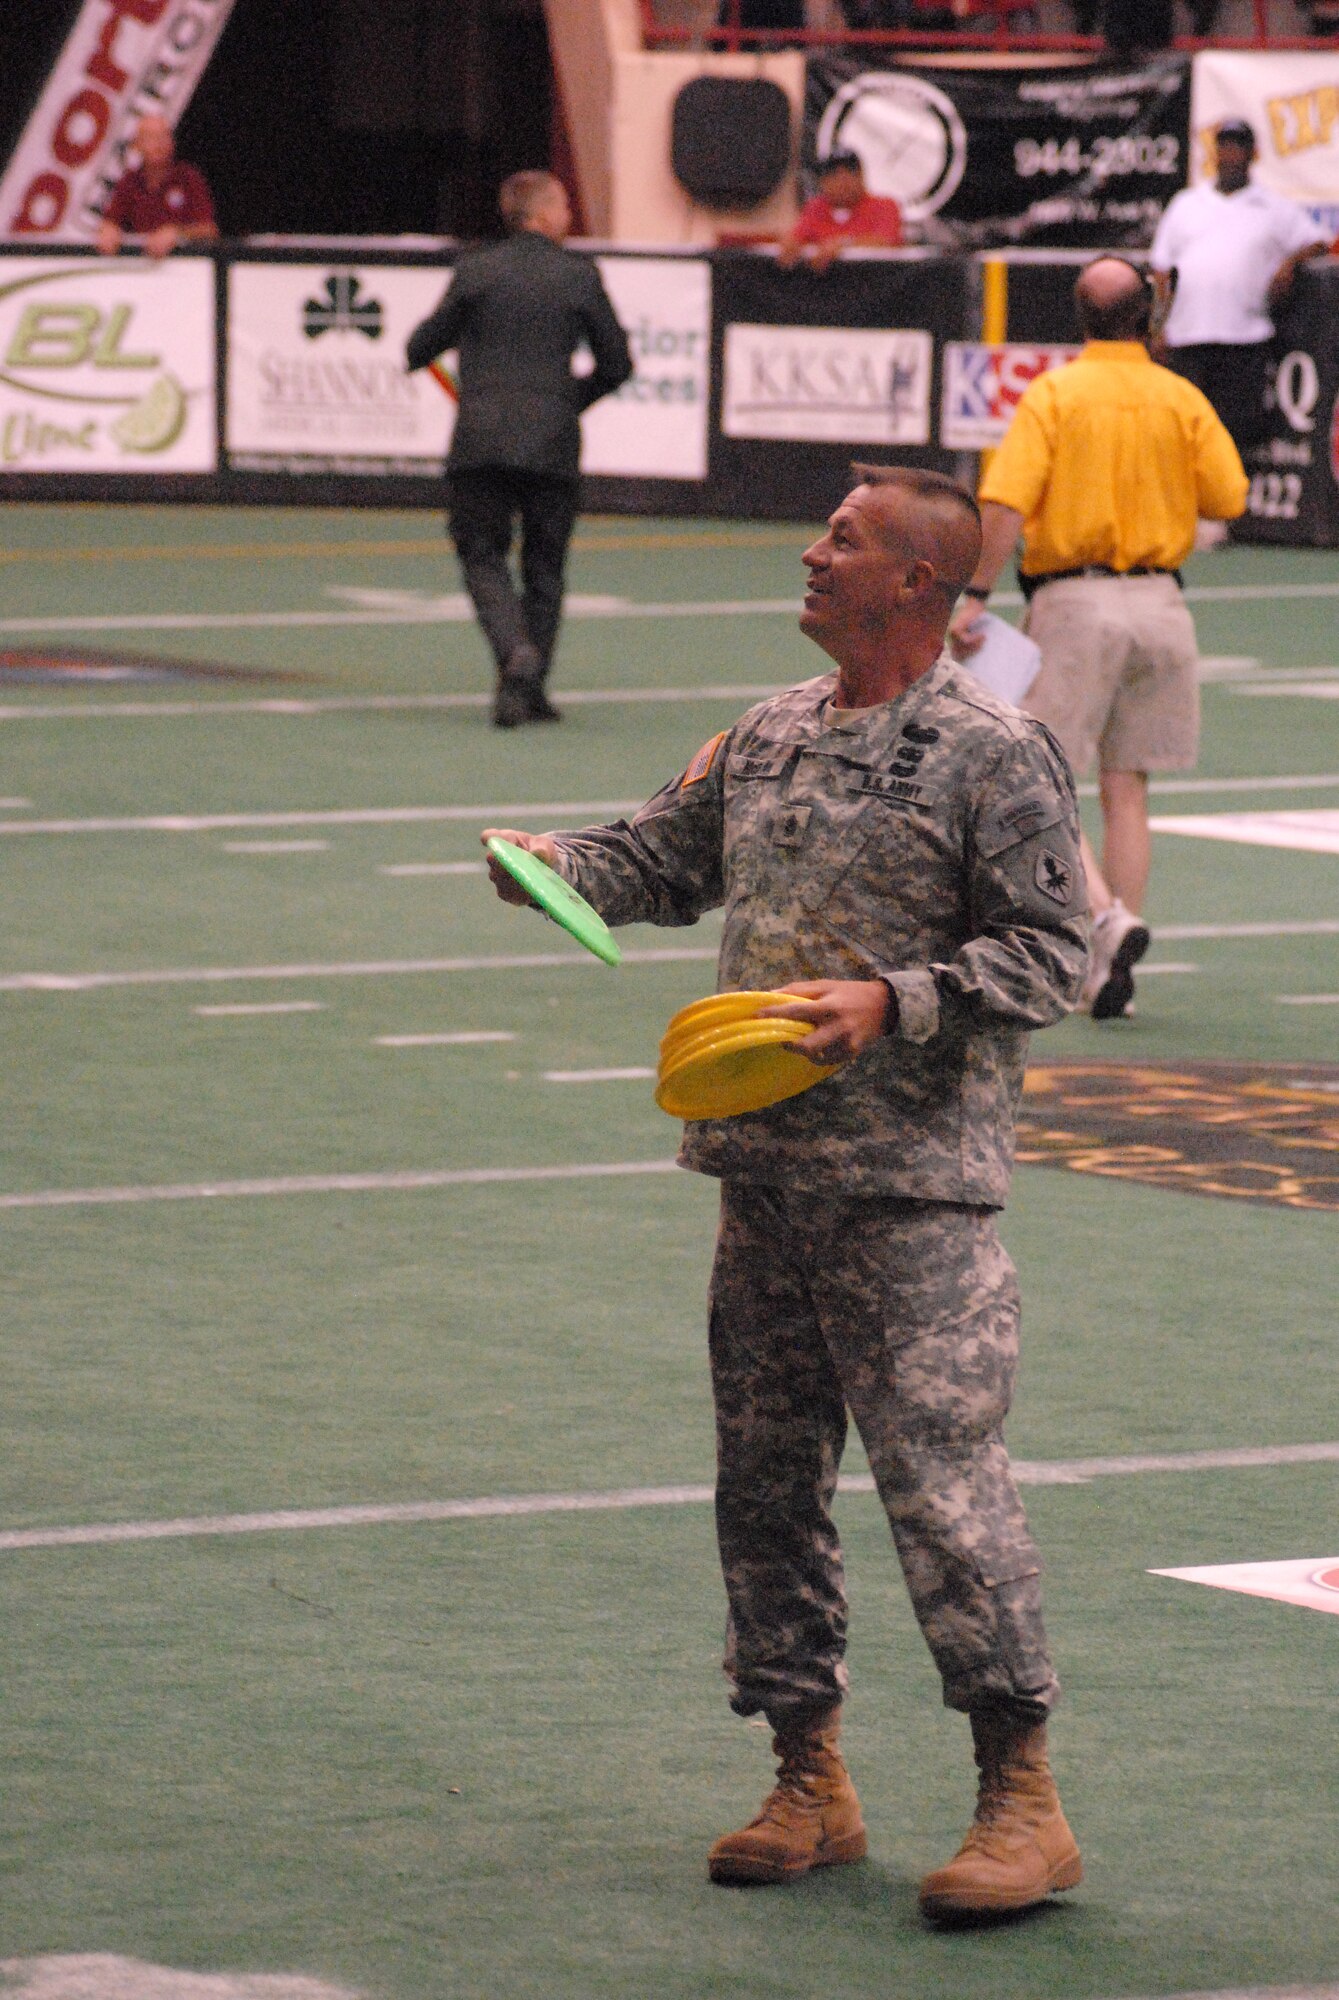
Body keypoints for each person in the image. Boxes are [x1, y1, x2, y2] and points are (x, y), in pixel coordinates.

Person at [482, 464, 1089, 1922]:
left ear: (915, 591)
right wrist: (556, 866)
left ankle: (1021, 1799)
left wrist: (896, 1000)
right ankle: (805, 1775)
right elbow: (656, 858)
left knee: (942, 1494)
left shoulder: (989, 751)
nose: (811, 554)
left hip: (912, 1194)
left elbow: (1054, 952)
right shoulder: (763, 737)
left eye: (844, 539)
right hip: (760, 1180)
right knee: (762, 1492)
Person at [949, 258, 1248, 1019]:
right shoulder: (1178, 396)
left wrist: (976, 592)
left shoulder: (1055, 393)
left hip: (1075, 602)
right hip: (1161, 605)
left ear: (1078, 319)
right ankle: (1109, 964)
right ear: (1147, 318)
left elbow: (1005, 500)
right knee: (1127, 787)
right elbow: (1229, 496)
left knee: (1042, 784)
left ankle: (1107, 923)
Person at [405, 171, 632, 728]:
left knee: (482, 554)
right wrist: (567, 399)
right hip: (552, 443)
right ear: (542, 213)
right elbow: (618, 364)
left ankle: (514, 659)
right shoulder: (578, 275)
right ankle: (529, 682)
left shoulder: (477, 269)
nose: (568, 216)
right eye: (562, 205)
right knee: (545, 567)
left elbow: (419, 348)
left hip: (480, 439)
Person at [1149, 120, 1328, 462]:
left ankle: (1228, 509)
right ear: (1214, 153)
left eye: (1238, 147)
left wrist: (1291, 262)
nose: (1230, 155)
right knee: (1180, 432)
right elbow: (1161, 273)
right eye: (1225, 146)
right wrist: (1157, 328)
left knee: (1235, 434)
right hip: (1188, 337)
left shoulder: (1272, 207)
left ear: (1252, 154)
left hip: (1243, 339)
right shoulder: (1187, 203)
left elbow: (1319, 241)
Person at [95, 114, 218, 261]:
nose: (158, 143)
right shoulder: (129, 182)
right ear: (137, 145)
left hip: (184, 266)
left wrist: (176, 233)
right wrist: (108, 230)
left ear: (172, 142)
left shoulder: (188, 178)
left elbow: (208, 229)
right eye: (150, 138)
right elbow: (111, 220)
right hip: (140, 268)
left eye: (163, 136)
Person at [777, 153, 903, 274]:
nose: (844, 180)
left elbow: (887, 241)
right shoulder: (816, 207)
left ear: (862, 177)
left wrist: (843, 244)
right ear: (823, 181)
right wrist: (790, 243)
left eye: (851, 172)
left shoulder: (884, 205)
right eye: (835, 174)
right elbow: (797, 235)